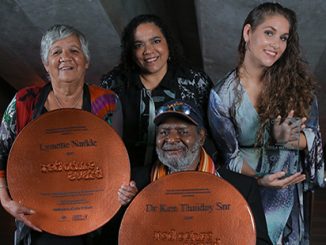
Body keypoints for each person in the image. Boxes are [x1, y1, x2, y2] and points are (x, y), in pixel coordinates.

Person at [208, 2, 324, 244]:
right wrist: (260, 179)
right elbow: (230, 156)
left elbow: (313, 136)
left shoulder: (297, 87)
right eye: (269, 33)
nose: (276, 44)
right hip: (249, 192)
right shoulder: (222, 96)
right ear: (248, 32)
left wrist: (290, 139)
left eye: (283, 37)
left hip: (288, 193)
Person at [0, 24, 122, 245]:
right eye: (56, 52)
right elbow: (1, 152)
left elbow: (118, 160)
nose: (66, 57)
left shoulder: (107, 102)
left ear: (86, 61)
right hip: (39, 218)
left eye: (74, 51)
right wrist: (5, 200)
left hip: (96, 216)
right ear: (46, 64)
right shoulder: (24, 101)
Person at [119, 99, 272, 244]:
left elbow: (259, 242)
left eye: (183, 131)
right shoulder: (134, 185)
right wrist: (132, 208)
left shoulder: (242, 188)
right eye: (164, 132)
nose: (171, 139)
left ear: (201, 137)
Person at [100, 14, 213, 190]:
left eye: (156, 41)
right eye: (139, 45)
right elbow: (104, 141)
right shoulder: (113, 84)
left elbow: (211, 136)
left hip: (181, 178)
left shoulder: (195, 82)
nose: (148, 51)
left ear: (168, 43)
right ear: (130, 51)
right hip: (127, 183)